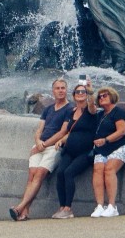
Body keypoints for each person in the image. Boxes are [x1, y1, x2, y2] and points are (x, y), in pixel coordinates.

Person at [10, 79, 77, 221]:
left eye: (63, 88)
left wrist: (45, 145)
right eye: (57, 88)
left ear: (66, 90)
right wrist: (38, 142)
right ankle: (25, 211)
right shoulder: (48, 109)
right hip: (40, 145)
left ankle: (20, 207)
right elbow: (39, 129)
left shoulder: (70, 109)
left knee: (40, 173)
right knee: (32, 175)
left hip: (53, 147)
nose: (60, 90)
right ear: (53, 91)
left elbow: (63, 132)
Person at [51, 81, 103, 219]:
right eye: (78, 92)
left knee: (69, 173)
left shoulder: (91, 111)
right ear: (73, 96)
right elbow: (69, 131)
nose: (81, 94)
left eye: (83, 92)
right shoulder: (71, 112)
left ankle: (68, 209)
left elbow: (92, 104)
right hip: (69, 150)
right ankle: (62, 207)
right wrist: (62, 139)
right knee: (60, 173)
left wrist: (90, 90)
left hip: (84, 152)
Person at [89, 87, 125, 218]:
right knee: (97, 169)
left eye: (105, 95)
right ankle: (100, 206)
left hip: (119, 146)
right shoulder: (100, 114)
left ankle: (112, 206)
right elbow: (90, 108)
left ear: (112, 96)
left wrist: (106, 140)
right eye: (100, 96)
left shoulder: (119, 112)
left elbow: (122, 131)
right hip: (102, 149)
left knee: (109, 169)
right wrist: (90, 92)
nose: (102, 98)